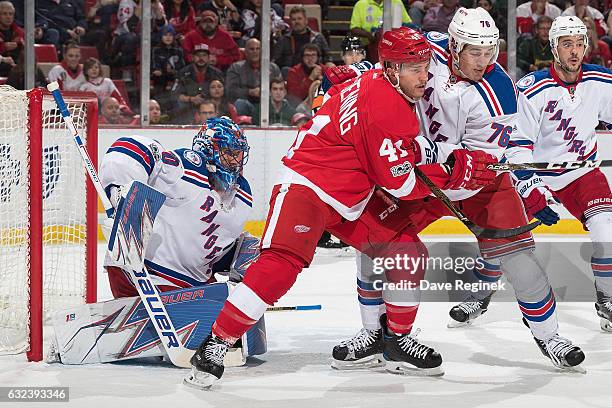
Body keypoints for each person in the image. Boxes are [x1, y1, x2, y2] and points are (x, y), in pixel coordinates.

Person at [183, 27, 500, 389]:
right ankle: (216, 344)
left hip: (352, 196)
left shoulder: (372, 77)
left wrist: (441, 164)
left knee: (407, 251)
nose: (424, 77)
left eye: (426, 66)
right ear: (392, 69)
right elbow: (401, 185)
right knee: (280, 266)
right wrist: (454, 172)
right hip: (307, 185)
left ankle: (395, 341)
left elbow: (387, 152)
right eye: (415, 68)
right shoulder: (388, 109)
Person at [324, 9, 585, 372]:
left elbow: (482, 160)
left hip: (477, 183)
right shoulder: (428, 49)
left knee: (521, 260)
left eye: (490, 51)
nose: (484, 61)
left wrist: (424, 150)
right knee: (374, 245)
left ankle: (549, 335)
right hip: (420, 177)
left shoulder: (500, 92)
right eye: (475, 52)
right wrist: (356, 73)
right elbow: (390, 67)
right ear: (454, 44)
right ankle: (374, 331)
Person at [502, 16, 612, 333]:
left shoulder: (600, 81)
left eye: (579, 44)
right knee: (503, 237)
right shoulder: (533, 88)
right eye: (567, 45)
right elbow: (518, 146)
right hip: (540, 176)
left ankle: (607, 300)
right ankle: (480, 295)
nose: (575, 52)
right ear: (553, 48)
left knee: (606, 231)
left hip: (582, 173)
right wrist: (531, 188)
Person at [226, 38, 281, 115]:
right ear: (245, 52)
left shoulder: (273, 68)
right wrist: (250, 92)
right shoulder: (236, 68)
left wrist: (268, 93)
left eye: (258, 49)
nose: (255, 52)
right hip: (246, 103)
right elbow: (230, 91)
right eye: (252, 49)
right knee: (240, 104)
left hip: (268, 103)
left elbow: (281, 89)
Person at [172, 43, 224, 124]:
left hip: (211, 107)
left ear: (209, 58)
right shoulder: (183, 73)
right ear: (192, 58)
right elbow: (175, 94)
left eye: (204, 55)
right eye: (198, 55)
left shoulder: (217, 73)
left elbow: (223, 93)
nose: (201, 58)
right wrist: (191, 99)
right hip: (189, 106)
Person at [272, 5, 333, 70]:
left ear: (306, 20)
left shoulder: (318, 37)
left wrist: (329, 64)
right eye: (293, 19)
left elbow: (328, 57)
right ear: (290, 22)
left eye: (299, 19)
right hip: (291, 73)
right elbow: (275, 60)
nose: (297, 22)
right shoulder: (284, 39)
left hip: (314, 70)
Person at [0, 1, 22, 77]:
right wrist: (3, 48)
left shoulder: (19, 32)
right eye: (4, 14)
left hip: (16, 66)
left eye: (11, 14)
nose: (8, 17)